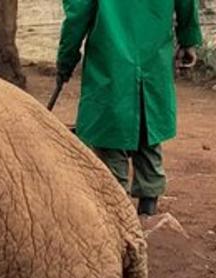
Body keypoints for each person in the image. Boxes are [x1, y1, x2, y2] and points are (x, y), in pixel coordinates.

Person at [57, 0, 204, 216]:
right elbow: (186, 4)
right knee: (148, 124)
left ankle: (118, 217)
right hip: (153, 62)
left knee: (109, 136)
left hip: (111, 66)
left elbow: (77, 15)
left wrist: (65, 61)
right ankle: (148, 209)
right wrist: (188, 40)